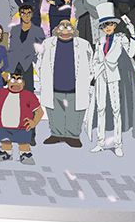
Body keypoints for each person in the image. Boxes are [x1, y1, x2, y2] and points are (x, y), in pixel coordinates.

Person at [85, 4, 135, 156]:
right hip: (100, 76)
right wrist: (92, 76)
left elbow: (130, 53)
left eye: (110, 24)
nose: (108, 27)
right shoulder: (100, 40)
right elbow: (96, 58)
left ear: (114, 25)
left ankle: (118, 144)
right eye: (105, 25)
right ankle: (100, 142)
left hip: (114, 75)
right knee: (100, 109)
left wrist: (132, 34)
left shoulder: (120, 38)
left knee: (116, 110)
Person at [37, 18, 93, 147]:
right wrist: (42, 78)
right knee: (55, 111)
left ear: (74, 30)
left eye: (68, 27)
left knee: (75, 113)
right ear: (56, 30)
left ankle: (73, 136)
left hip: (76, 87)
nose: (65, 30)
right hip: (53, 85)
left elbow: (91, 63)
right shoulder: (47, 43)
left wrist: (88, 79)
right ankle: (56, 134)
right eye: (62, 27)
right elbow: (39, 62)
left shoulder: (83, 44)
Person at [0, 65, 43, 165]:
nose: (15, 83)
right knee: (5, 142)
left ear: (23, 83)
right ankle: (6, 152)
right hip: (3, 127)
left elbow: (39, 111)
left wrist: (34, 122)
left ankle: (25, 154)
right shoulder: (1, 92)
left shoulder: (29, 96)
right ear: (8, 81)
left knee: (23, 144)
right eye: (13, 79)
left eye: (18, 80)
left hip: (22, 127)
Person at [7, 3, 45, 94]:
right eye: (23, 13)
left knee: (28, 91)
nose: (26, 16)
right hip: (14, 63)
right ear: (20, 15)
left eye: (29, 13)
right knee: (14, 91)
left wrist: (36, 60)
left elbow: (42, 48)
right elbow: (11, 48)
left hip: (27, 63)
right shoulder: (15, 29)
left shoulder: (38, 30)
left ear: (32, 14)